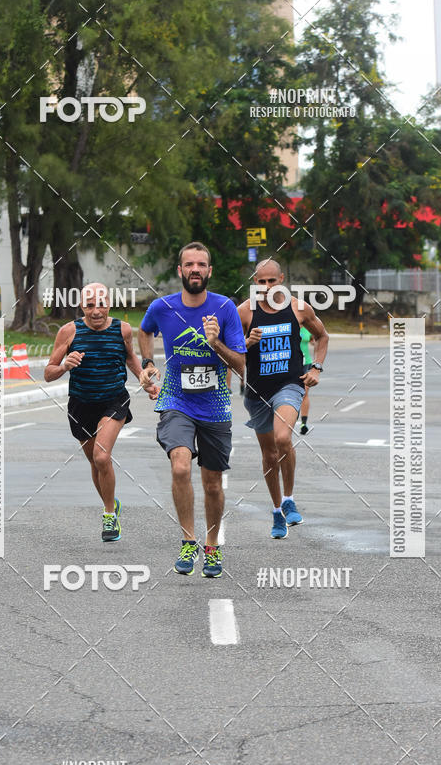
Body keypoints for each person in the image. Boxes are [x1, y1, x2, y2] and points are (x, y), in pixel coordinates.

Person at [138, 242, 246, 578]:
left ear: (209, 271)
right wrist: (147, 362)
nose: (195, 269)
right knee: (181, 467)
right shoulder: (162, 307)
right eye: (189, 264)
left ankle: (211, 546)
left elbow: (241, 365)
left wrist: (215, 343)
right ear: (180, 270)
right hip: (176, 399)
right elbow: (145, 330)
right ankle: (188, 541)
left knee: (212, 484)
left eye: (201, 264)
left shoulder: (225, 308)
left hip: (215, 405)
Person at [45, 283, 157, 541]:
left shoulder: (122, 329)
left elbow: (130, 357)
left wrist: (146, 381)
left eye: (101, 304)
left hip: (113, 400)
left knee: (102, 457)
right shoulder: (69, 331)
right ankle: (111, 502)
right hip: (81, 404)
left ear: (110, 304)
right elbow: (48, 373)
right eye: (89, 305)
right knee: (95, 462)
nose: (96, 311)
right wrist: (64, 366)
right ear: (81, 306)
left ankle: (109, 515)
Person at [237, 258, 329, 539]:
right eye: (261, 282)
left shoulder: (298, 308)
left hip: (289, 385)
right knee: (268, 454)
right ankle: (277, 510)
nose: (267, 286)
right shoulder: (244, 312)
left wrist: (316, 367)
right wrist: (246, 343)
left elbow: (322, 336)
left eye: (272, 281)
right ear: (255, 282)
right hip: (257, 392)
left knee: (282, 438)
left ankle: (289, 498)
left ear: (281, 279)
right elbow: (228, 352)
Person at [299, 325, 313, 434]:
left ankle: (303, 423)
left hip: (306, 363)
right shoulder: (290, 324)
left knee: (305, 392)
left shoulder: (308, 326)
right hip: (292, 364)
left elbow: (316, 340)